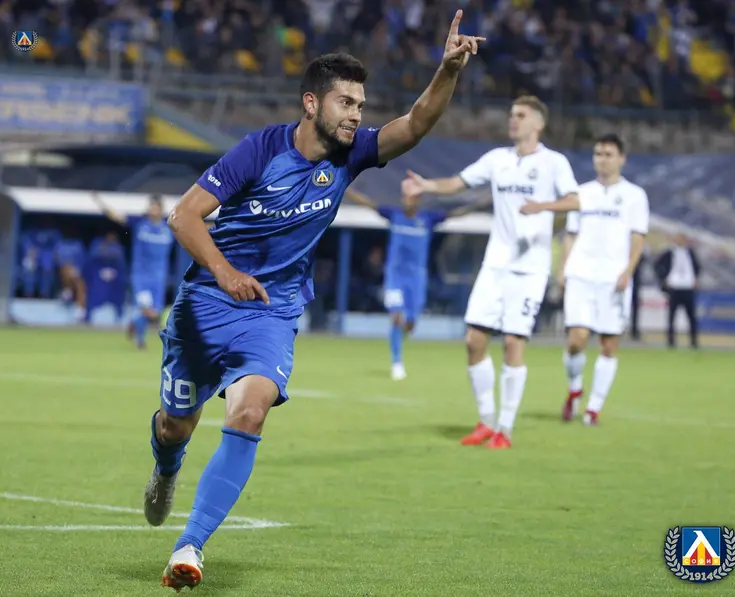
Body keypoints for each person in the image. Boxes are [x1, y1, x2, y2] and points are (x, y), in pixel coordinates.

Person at [145, 16, 484, 591]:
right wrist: (226, 273)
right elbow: (184, 216)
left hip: (272, 310)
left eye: (361, 104)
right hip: (206, 304)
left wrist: (447, 70)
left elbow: (415, 125)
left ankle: (190, 546)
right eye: (346, 102)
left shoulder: (350, 156)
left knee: (250, 411)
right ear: (311, 103)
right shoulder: (259, 151)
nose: (356, 114)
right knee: (176, 424)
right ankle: (166, 465)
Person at [403, 96, 579, 449]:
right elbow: (459, 182)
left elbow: (575, 200)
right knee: (474, 341)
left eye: (521, 115)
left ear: (538, 124)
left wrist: (543, 206)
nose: (513, 120)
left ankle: (505, 429)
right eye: (511, 114)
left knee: (513, 343)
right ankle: (485, 421)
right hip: (495, 264)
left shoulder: (553, 163)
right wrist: (427, 185)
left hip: (530, 269)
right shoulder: (497, 159)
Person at [520, 133, 649, 424]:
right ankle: (575, 389)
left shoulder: (635, 196)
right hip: (581, 274)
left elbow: (638, 237)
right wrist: (563, 269)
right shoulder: (582, 193)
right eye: (598, 154)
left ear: (622, 159)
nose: (602, 160)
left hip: (613, 279)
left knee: (608, 344)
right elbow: (571, 234)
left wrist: (628, 271)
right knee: (576, 340)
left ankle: (593, 408)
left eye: (608, 154)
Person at [346, 181, 489, 380]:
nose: (407, 201)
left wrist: (481, 204)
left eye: (411, 198)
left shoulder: (427, 219)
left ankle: (402, 335)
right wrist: (345, 188)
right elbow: (368, 203)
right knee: (396, 317)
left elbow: (456, 213)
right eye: (405, 197)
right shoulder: (394, 215)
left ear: (417, 200)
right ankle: (397, 362)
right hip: (395, 275)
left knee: (411, 322)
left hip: (416, 277)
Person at [93, 193, 174, 348]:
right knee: (145, 309)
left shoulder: (169, 228)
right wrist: (101, 203)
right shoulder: (139, 224)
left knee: (155, 313)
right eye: (151, 207)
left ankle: (133, 323)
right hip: (141, 276)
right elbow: (118, 217)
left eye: (156, 207)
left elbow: (193, 227)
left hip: (158, 277)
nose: (153, 210)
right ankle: (140, 341)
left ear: (161, 209)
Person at [655, 233, 701, 348]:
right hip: (674, 287)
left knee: (691, 316)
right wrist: (664, 279)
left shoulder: (690, 253)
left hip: (688, 287)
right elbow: (657, 265)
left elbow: (698, 267)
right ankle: (671, 341)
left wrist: (695, 279)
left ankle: (694, 341)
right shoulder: (669, 253)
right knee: (672, 316)